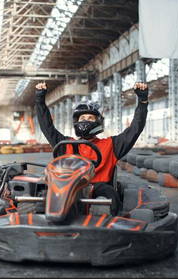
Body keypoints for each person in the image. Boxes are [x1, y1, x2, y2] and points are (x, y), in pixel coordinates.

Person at [34, 82, 149, 216]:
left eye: (90, 118)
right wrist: (40, 100)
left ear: (97, 121)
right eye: (82, 118)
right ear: (77, 121)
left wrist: (142, 101)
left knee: (110, 193)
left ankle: (113, 223)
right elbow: (46, 126)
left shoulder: (111, 144)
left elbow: (135, 129)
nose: (85, 121)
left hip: (98, 187)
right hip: (67, 187)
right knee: (44, 190)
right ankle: (45, 216)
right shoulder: (65, 144)